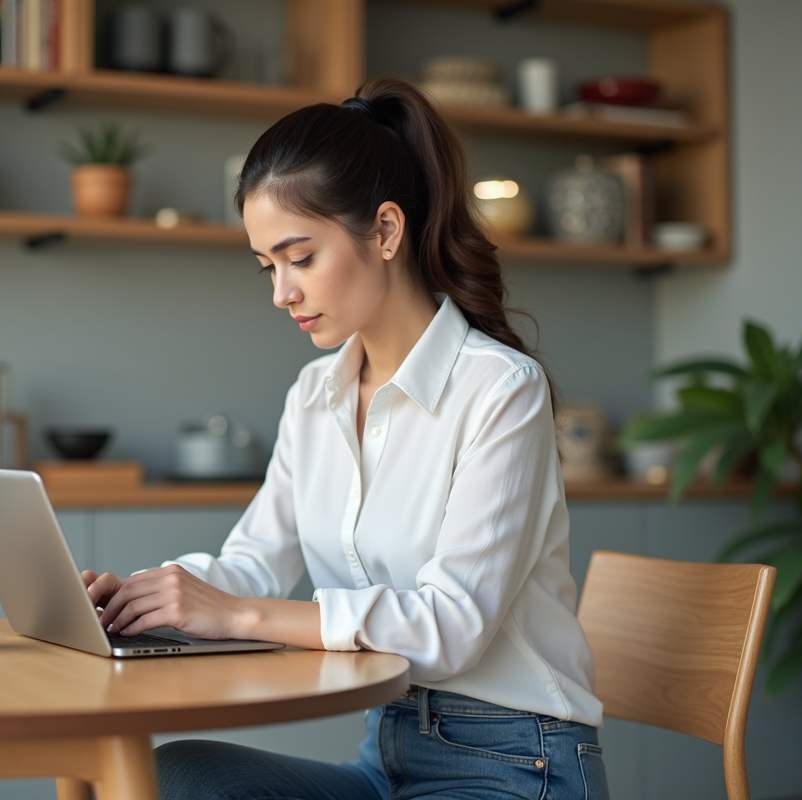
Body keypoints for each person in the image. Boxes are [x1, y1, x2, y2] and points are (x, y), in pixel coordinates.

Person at [82, 76, 609, 800]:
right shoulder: (314, 396)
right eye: (267, 267)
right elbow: (254, 566)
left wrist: (233, 614)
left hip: (516, 763)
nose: (281, 293)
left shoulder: (499, 390)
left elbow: (452, 626)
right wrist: (151, 602)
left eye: (300, 258)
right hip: (386, 755)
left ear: (386, 231)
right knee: (174, 778)